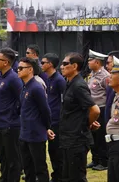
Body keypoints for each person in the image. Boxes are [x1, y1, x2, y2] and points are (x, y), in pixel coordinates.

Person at [59, 52, 100, 182]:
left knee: (76, 177)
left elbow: (95, 110)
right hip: (68, 138)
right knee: (66, 176)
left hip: (77, 139)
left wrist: (86, 123)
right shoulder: (69, 83)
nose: (61, 66)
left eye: (65, 64)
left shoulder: (78, 85)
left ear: (74, 66)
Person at [18, 57, 51, 182]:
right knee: (28, 168)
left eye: (21, 68)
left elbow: (45, 110)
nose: (18, 70)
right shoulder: (25, 87)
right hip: (25, 133)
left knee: (40, 167)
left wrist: (46, 127)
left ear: (30, 69)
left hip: (36, 134)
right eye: (18, 68)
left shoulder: (36, 87)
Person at [0, 47, 23, 182]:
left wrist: (12, 115)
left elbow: (22, 99)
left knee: (12, 158)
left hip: (9, 124)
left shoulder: (14, 78)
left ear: (6, 62)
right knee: (3, 156)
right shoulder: (0, 75)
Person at [41, 53, 66, 182]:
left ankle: (59, 176)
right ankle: (56, 175)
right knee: (52, 150)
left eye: (43, 62)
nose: (41, 65)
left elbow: (64, 101)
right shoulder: (48, 78)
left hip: (57, 121)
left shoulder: (59, 80)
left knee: (57, 151)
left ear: (50, 64)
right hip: (51, 120)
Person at [86, 49, 111, 171]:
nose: (88, 62)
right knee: (93, 137)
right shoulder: (92, 74)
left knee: (101, 137)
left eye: (90, 60)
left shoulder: (105, 76)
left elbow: (109, 94)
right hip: (91, 109)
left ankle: (104, 161)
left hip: (101, 109)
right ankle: (95, 159)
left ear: (97, 62)